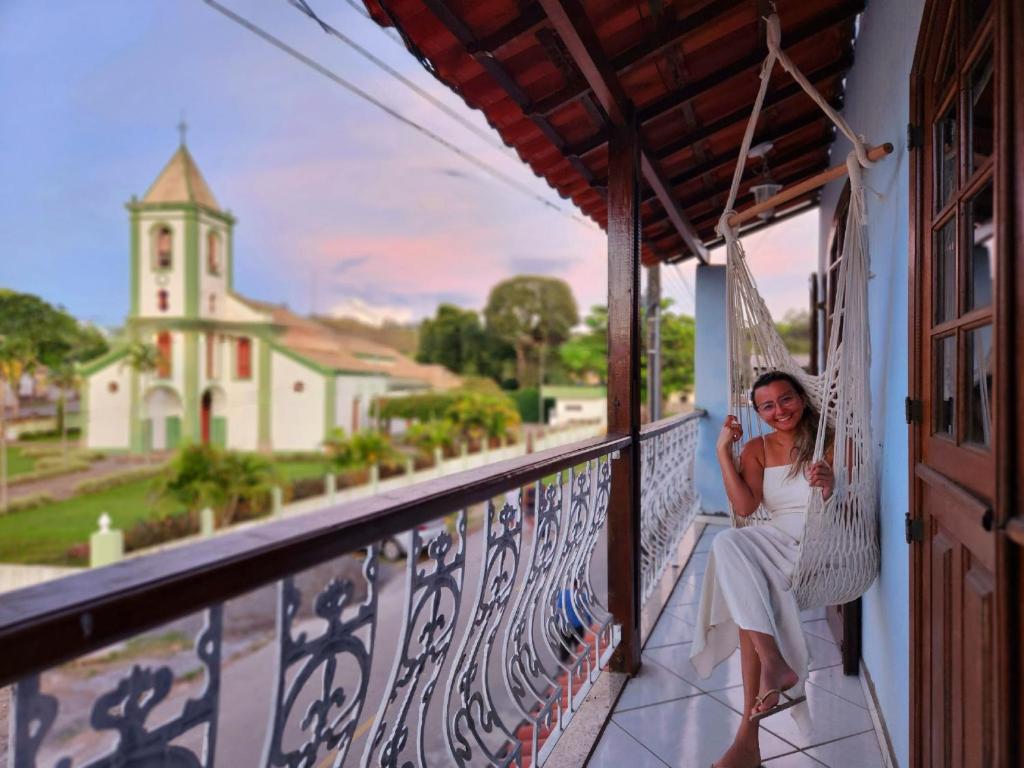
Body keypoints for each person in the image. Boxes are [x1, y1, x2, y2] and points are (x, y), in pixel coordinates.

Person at [690, 370, 835, 768]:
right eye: (767, 406)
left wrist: (829, 486)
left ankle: (748, 737)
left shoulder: (831, 439)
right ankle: (772, 666)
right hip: (775, 536)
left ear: (801, 399)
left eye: (786, 399)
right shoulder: (756, 448)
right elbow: (744, 509)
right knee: (726, 541)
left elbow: (849, 504)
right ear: (758, 412)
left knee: (745, 603)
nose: (779, 411)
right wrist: (723, 452)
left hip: (819, 538)